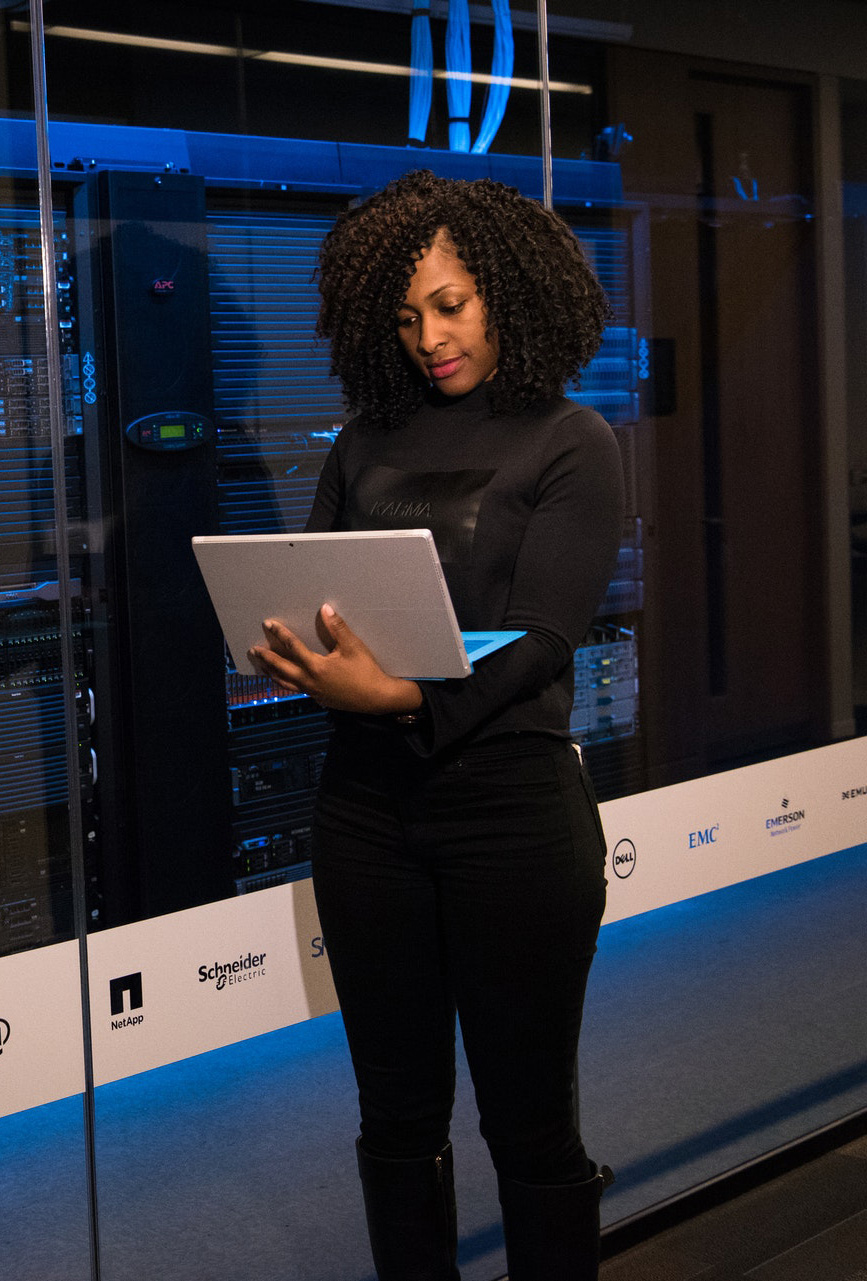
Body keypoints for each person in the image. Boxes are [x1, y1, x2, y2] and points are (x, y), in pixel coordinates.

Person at [248, 169, 625, 1281]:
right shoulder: (364, 440)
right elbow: (307, 583)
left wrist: (404, 695)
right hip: (366, 815)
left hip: (512, 815)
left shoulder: (571, 440)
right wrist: (294, 648)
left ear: (507, 293)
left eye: (451, 305)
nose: (429, 337)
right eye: (408, 317)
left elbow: (544, 637)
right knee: (396, 1121)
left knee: (529, 1125)